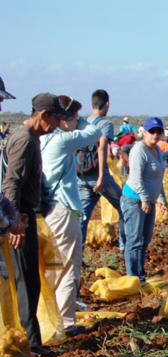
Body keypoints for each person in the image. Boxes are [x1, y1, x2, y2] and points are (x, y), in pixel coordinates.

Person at [2, 93, 72, 356]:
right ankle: (30, 345)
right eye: (55, 119)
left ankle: (34, 343)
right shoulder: (24, 141)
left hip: (25, 217)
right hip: (20, 221)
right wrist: (15, 223)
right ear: (43, 116)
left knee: (31, 281)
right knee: (25, 283)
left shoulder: (31, 138)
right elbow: (11, 184)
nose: (57, 125)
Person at [40, 96, 101, 337]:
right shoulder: (62, 140)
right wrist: (83, 121)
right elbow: (95, 132)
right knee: (67, 267)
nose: (77, 121)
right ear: (64, 121)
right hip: (63, 210)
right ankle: (65, 323)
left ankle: (47, 318)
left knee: (51, 266)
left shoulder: (42, 140)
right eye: (73, 117)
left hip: (47, 210)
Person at [120, 117, 167, 282]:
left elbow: (159, 177)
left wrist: (162, 198)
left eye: (158, 132)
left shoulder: (158, 151)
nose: (155, 135)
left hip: (149, 201)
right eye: (152, 132)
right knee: (134, 239)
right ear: (144, 133)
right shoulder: (139, 150)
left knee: (145, 239)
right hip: (135, 200)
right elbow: (137, 178)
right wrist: (145, 200)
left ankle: (140, 274)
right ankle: (133, 277)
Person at [78, 89, 125, 252]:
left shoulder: (81, 123)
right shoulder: (105, 124)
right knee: (124, 206)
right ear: (107, 104)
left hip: (82, 176)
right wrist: (100, 177)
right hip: (99, 176)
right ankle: (124, 246)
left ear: (91, 105)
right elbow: (103, 146)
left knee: (82, 217)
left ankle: (78, 255)